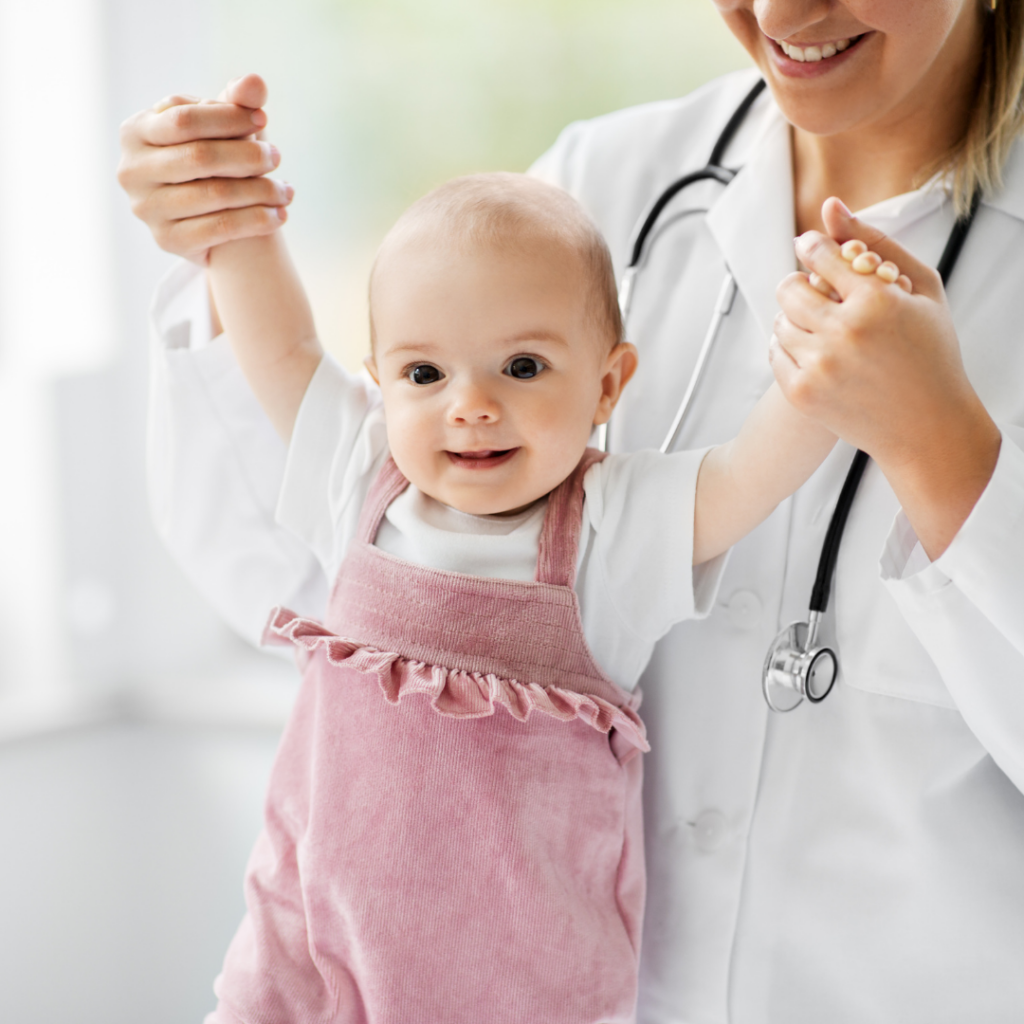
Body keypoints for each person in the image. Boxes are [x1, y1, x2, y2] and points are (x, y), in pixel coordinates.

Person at [118, 1, 1024, 1020]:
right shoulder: (596, 190)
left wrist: (943, 449)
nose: (780, 11)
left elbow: (733, 483)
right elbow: (312, 572)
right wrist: (224, 230)